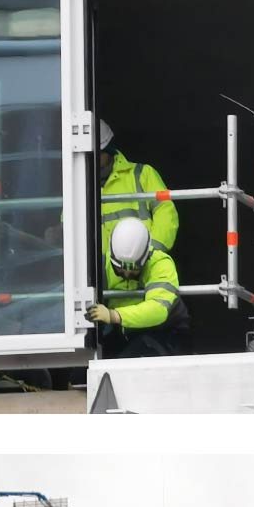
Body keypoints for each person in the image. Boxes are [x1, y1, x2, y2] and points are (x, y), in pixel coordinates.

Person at [85, 215, 186, 358]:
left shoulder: (161, 263)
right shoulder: (101, 264)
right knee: (81, 373)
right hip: (124, 333)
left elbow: (158, 309)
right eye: (119, 267)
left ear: (145, 256)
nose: (126, 273)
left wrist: (114, 315)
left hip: (164, 333)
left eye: (133, 268)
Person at [97, 119, 176, 261]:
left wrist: (149, 252)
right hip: (99, 275)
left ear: (109, 150)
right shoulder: (79, 185)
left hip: (141, 268)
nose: (93, 159)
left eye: (98, 153)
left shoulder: (143, 174)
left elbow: (165, 212)